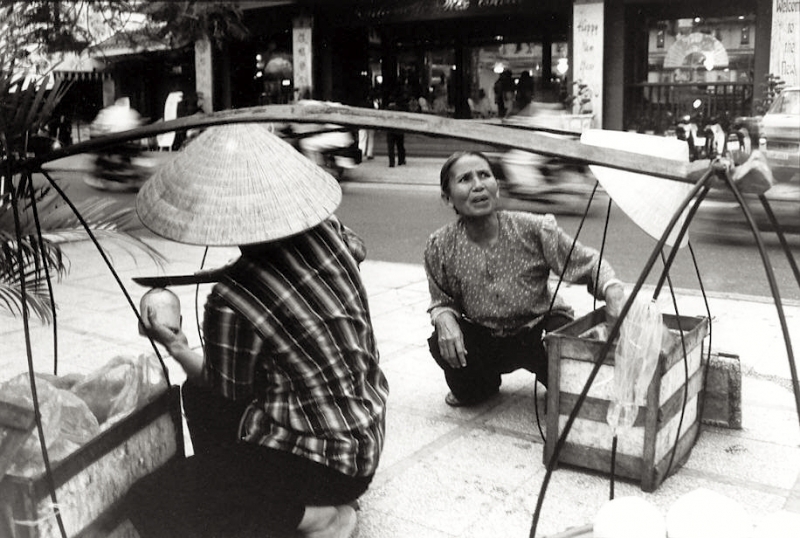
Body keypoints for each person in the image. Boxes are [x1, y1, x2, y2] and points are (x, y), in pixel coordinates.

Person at [127, 123, 389, 538]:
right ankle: (253, 490)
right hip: (364, 441)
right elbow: (359, 251)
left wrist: (175, 344)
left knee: (151, 498)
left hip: (326, 466)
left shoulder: (232, 300)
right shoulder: (330, 230)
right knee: (197, 399)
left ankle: (318, 517)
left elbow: (223, 389)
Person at [424, 151, 625, 407]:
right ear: (447, 196)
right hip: (486, 337)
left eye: (485, 175)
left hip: (538, 332)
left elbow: (588, 263)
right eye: (465, 179)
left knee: (569, 398)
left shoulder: (533, 229)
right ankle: (483, 382)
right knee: (460, 377)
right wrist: (443, 317)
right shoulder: (440, 245)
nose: (478, 185)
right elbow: (441, 299)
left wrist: (613, 291)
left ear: (496, 186)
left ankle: (553, 377)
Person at [385, 90, 407, 168]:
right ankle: (401, 160)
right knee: (400, 146)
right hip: (399, 129)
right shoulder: (400, 108)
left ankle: (391, 162)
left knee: (391, 147)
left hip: (390, 129)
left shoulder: (387, 110)